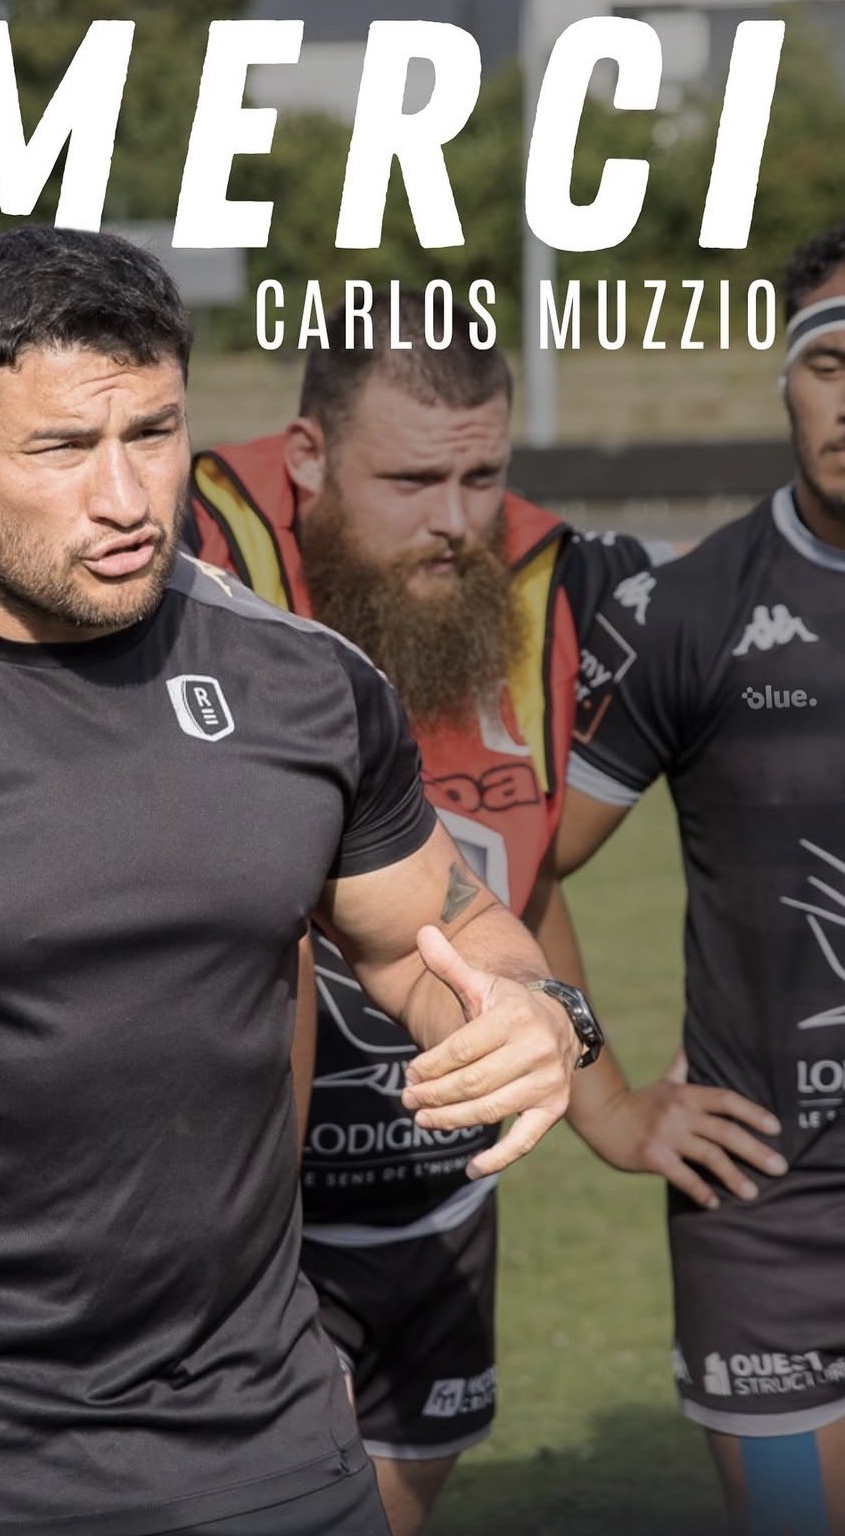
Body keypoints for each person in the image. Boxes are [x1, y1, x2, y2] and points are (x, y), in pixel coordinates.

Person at [0, 285, 785, 1536]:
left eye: (153, 436)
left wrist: (552, 1025)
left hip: (347, 1303)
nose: (453, 518)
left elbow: (484, 902)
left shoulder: (392, 643)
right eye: (411, 479)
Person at [182, 291, 791, 1535]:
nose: (455, 520)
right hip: (224, 1222)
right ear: (307, 457)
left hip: (439, 1203)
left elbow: (527, 873)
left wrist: (607, 1102)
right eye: (412, 480)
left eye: (482, 475)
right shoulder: (182, 548)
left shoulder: (558, 589)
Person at [559, 228, 845, 1536]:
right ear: (786, 381)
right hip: (765, 1213)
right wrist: (609, 1102)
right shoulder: (687, 609)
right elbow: (516, 871)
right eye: (829, 366)